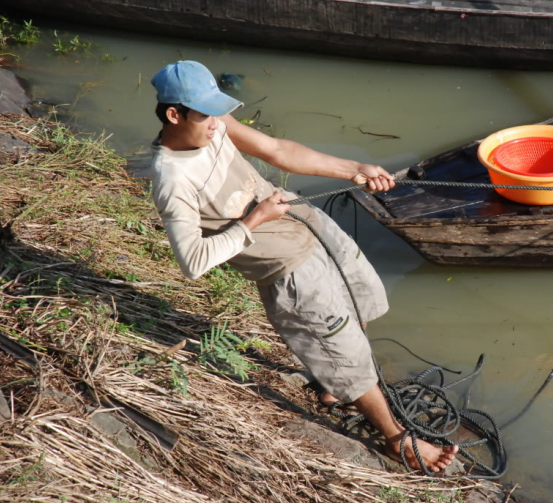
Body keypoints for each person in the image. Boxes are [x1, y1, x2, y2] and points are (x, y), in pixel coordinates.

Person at [148, 60, 458, 472]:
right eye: (204, 113)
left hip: (308, 224)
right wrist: (253, 220)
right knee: (344, 349)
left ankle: (335, 385)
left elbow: (279, 151)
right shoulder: (171, 179)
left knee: (362, 298)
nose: (215, 122)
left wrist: (355, 169)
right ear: (175, 114)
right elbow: (193, 262)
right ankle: (396, 439)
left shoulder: (215, 125)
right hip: (289, 272)